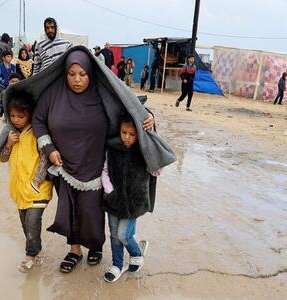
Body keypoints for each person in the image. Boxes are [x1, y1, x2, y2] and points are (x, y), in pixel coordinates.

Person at [11, 47, 176, 274]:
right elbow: (38, 120)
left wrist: (147, 116)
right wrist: (49, 149)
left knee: (91, 210)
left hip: (96, 164)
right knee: (68, 210)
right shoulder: (53, 93)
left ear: (90, 72)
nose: (77, 80)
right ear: (64, 73)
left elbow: (128, 105)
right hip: (63, 164)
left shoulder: (102, 92)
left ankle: (95, 247)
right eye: (72, 74)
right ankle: (74, 250)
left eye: (82, 74)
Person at [0, 92, 53, 272]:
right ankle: (36, 253)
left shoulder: (37, 133)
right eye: (13, 116)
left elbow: (45, 158)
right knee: (25, 223)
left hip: (38, 189)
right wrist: (8, 145)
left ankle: (30, 254)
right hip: (19, 189)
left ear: (30, 114)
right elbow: (2, 158)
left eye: (21, 116)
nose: (16, 119)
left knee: (33, 220)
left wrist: (36, 182)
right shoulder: (10, 134)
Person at [101, 114, 161, 282]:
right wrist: (109, 191)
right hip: (113, 199)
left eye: (132, 134)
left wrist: (152, 150)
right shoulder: (112, 148)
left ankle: (136, 253)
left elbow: (156, 171)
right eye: (123, 132)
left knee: (123, 235)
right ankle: (117, 265)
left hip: (134, 201)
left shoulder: (143, 150)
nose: (126, 137)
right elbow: (104, 171)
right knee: (113, 234)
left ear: (139, 134)